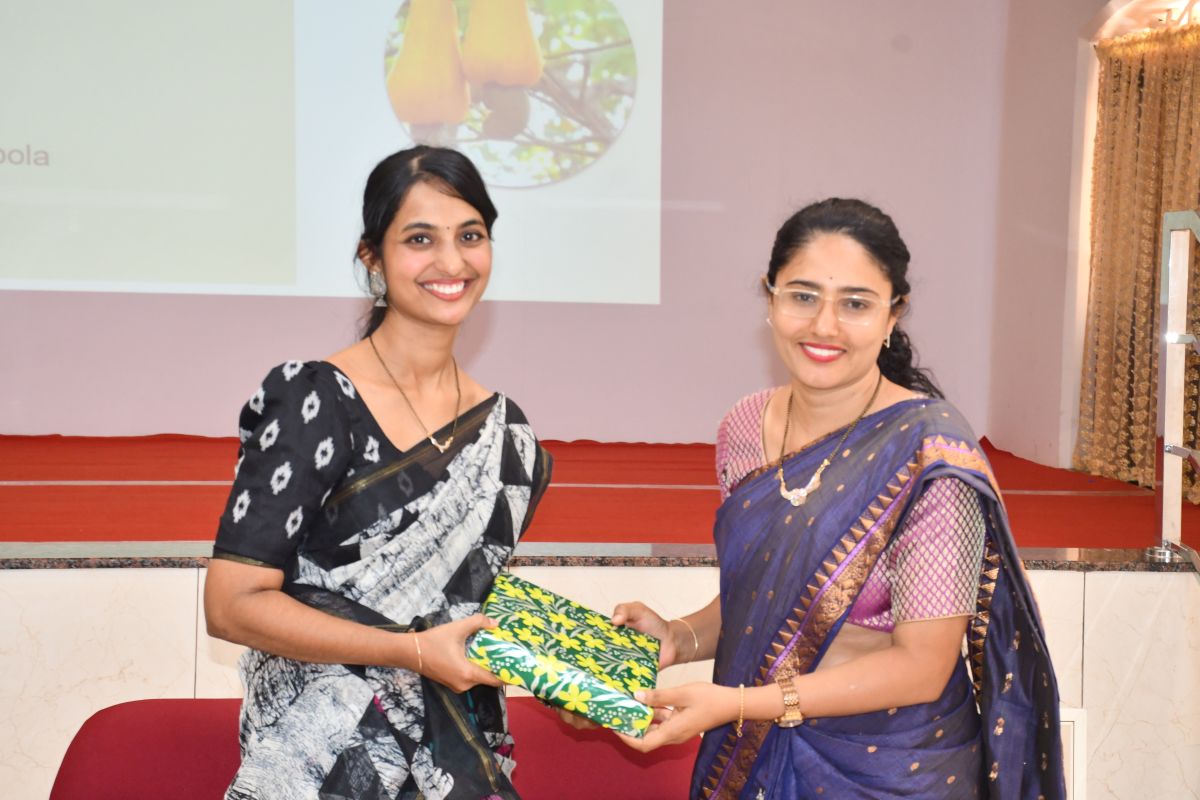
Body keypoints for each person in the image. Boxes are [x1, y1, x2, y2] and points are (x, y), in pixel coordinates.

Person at [609, 199, 1065, 799]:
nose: (824, 325)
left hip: (894, 770)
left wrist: (743, 704)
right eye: (803, 295)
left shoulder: (929, 452)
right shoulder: (745, 426)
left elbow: (922, 668)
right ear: (770, 298)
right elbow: (771, 601)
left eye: (855, 303)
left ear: (892, 314)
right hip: (759, 757)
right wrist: (679, 635)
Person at [204, 146, 551, 800]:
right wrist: (411, 652)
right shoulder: (314, 400)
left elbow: (459, 601)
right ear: (372, 257)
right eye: (420, 239)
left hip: (458, 761)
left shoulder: (509, 437)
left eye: (470, 236)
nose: (452, 262)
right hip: (317, 762)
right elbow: (231, 604)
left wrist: (571, 670)